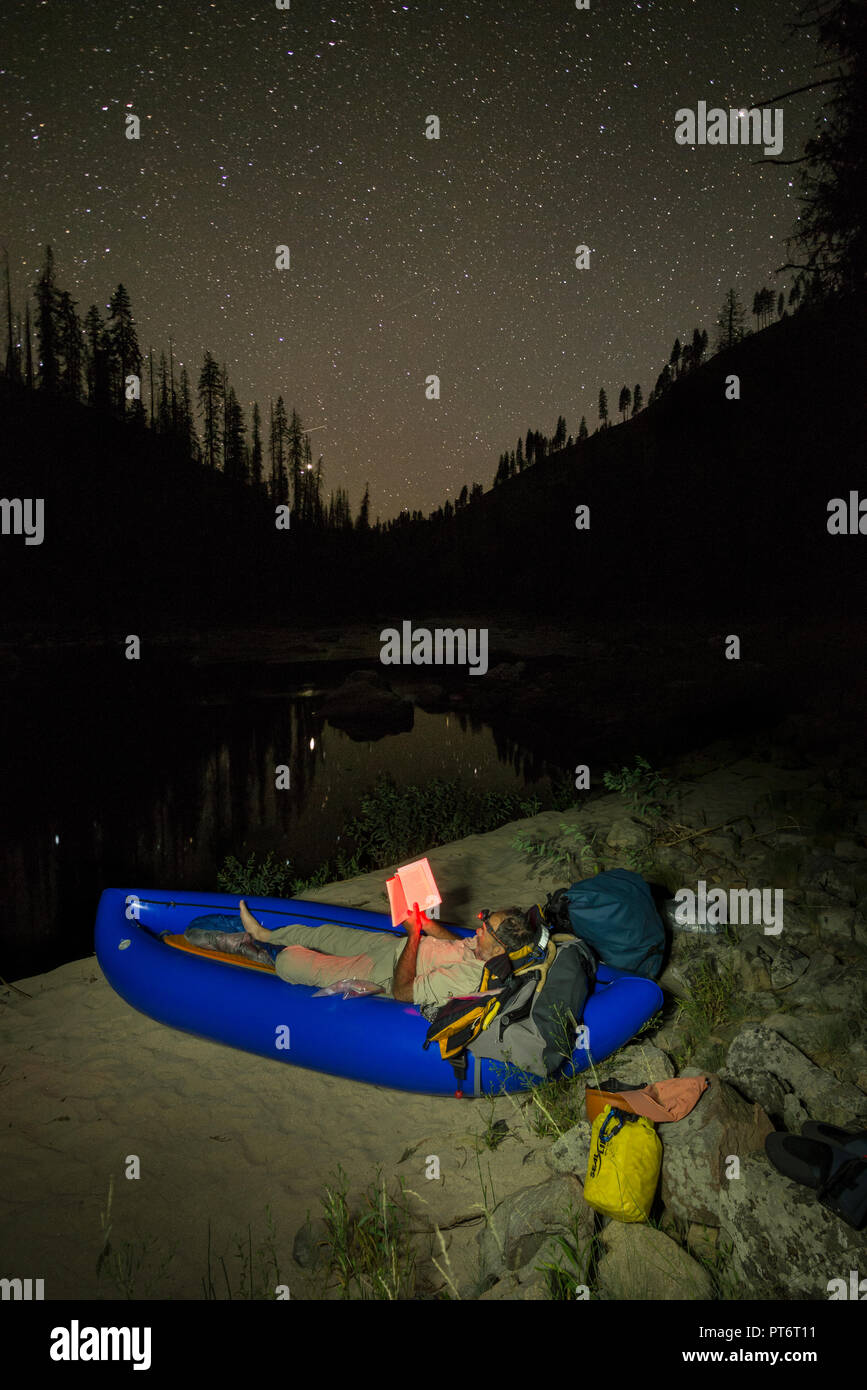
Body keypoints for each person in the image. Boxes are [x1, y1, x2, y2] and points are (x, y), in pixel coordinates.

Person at [189, 898, 535, 1010]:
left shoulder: (474, 975)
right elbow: (453, 945)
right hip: (393, 946)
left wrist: (414, 938)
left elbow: (403, 992)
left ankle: (261, 951)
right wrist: (427, 926)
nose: (478, 927)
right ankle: (261, 933)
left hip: (383, 972)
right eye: (483, 920)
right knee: (324, 933)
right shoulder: (482, 948)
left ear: (501, 947)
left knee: (292, 960)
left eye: (485, 927)